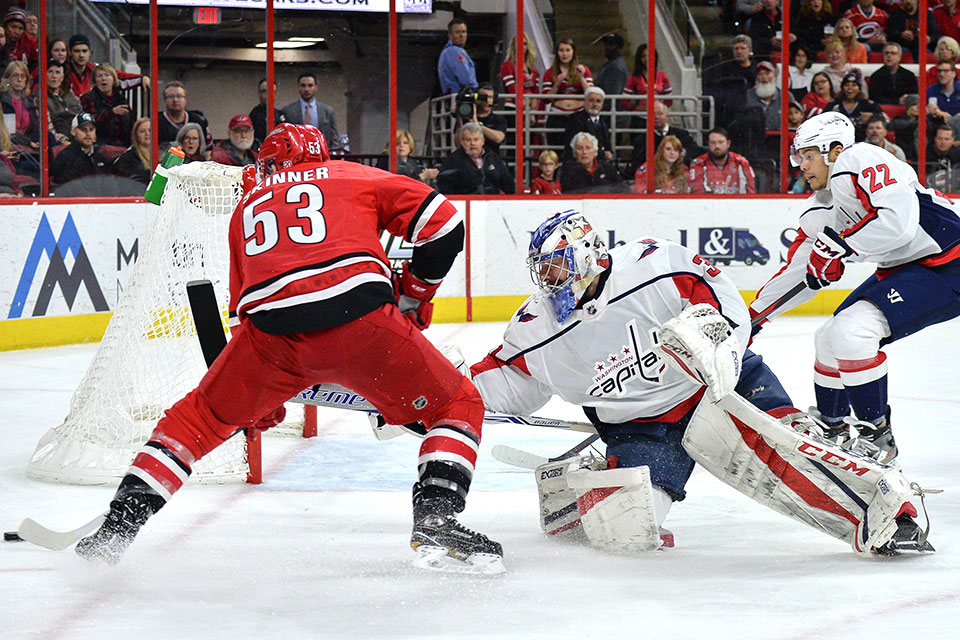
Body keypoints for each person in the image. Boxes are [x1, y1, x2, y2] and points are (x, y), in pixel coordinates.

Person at [74, 122, 504, 574]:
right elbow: (445, 223)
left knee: (197, 420)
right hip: (361, 321)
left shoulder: (245, 208)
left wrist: (259, 397)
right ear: (318, 154)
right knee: (457, 401)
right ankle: (437, 517)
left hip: (272, 340)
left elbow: (243, 317)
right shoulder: (347, 174)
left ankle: (118, 526)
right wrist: (414, 293)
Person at [463, 210, 928, 556]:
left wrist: (721, 356)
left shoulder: (654, 264)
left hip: (722, 384)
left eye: (556, 267)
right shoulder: (536, 327)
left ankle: (892, 512)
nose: (549, 282)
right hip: (643, 425)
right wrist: (421, 402)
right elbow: (500, 380)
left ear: (585, 253)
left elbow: (725, 306)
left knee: (793, 449)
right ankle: (591, 476)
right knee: (622, 531)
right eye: (542, 272)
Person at [751, 111, 960, 468]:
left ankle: (877, 436)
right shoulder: (819, 208)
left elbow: (899, 224)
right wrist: (754, 316)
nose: (800, 165)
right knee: (829, 337)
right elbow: (801, 271)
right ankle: (831, 429)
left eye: (807, 154)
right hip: (909, 267)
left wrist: (842, 245)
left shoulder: (860, 158)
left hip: (949, 263)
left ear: (833, 149)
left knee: (853, 332)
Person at [540, 38, 594, 149]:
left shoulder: (584, 70)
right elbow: (546, 99)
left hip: (578, 115)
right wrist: (557, 83)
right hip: (557, 116)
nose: (564, 54)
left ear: (573, 52)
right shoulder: (550, 72)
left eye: (568, 50)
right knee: (556, 151)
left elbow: (591, 95)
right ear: (557, 53)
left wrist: (581, 77)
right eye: (561, 50)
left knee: (578, 150)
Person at [436, 122, 515, 195]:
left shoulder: (493, 158)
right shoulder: (453, 160)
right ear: (462, 142)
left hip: (493, 204)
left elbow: (508, 184)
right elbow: (444, 187)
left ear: (483, 141)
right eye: (468, 140)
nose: (472, 143)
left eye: (476, 139)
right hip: (464, 204)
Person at [66, 34, 148, 98]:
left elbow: (118, 76)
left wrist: (142, 78)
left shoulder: (95, 68)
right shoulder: (62, 71)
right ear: (70, 52)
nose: (81, 55)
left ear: (90, 52)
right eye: (77, 51)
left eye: (84, 51)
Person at [630, 100, 699, 170]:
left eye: (660, 113)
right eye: (652, 114)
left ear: (666, 115)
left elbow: (693, 150)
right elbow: (638, 164)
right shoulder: (642, 140)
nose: (656, 117)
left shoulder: (682, 135)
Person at [280, 72, 341, 152]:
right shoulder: (288, 111)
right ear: (298, 87)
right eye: (303, 85)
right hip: (297, 155)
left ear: (316, 87)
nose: (306, 89)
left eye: (310, 85)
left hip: (323, 155)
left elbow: (334, 137)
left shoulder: (327, 111)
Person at [689, 127, 757, 193]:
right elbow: (697, 194)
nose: (717, 146)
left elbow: (750, 192)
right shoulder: (698, 163)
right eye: (713, 142)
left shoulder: (741, 162)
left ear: (728, 143)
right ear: (708, 144)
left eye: (721, 142)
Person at [51, 112, 110, 187]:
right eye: (83, 129)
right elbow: (65, 187)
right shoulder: (65, 157)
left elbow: (111, 186)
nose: (88, 134)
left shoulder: (101, 158)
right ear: (73, 132)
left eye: (91, 129)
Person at [80, 63, 133, 147]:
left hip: (123, 144)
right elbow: (90, 123)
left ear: (113, 79)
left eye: (107, 75)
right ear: (95, 81)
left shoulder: (121, 99)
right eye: (99, 76)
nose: (103, 78)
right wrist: (112, 112)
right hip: (100, 143)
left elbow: (129, 124)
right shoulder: (88, 98)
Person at [824, 72, 885, 141]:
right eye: (846, 85)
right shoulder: (834, 103)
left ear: (859, 89)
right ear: (842, 88)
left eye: (854, 85)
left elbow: (885, 119)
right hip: (838, 140)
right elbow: (821, 119)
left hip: (863, 141)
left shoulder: (867, 104)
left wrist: (872, 116)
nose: (850, 88)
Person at [561, 87, 612, 162]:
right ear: (584, 102)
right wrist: (602, 154)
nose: (595, 104)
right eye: (591, 100)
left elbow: (607, 145)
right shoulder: (575, 119)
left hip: (600, 163)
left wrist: (610, 153)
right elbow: (576, 147)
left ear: (602, 104)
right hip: (579, 164)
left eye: (598, 101)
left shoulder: (603, 121)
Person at [157, 80, 212, 149]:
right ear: (165, 100)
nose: (175, 100)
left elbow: (208, 148)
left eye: (179, 96)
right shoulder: (156, 122)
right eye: (170, 96)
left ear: (185, 100)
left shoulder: (198, 120)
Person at [621, 44, 672, 112]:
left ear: (655, 57)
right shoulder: (634, 77)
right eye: (643, 56)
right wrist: (638, 108)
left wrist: (659, 109)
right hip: (639, 119)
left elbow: (669, 101)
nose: (647, 59)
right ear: (639, 59)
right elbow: (624, 102)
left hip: (657, 119)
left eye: (650, 55)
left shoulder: (663, 77)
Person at [461, 83, 507, 156]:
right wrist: (459, 118)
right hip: (468, 160)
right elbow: (457, 143)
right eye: (483, 97)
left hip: (491, 159)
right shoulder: (466, 118)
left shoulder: (499, 119)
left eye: (490, 97)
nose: (487, 100)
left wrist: (476, 123)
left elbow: (499, 138)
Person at [0, 61, 38, 141]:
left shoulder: (30, 101)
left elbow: (35, 128)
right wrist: (28, 143)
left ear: (26, 80)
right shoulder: (3, 100)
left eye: (23, 76)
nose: (19, 80)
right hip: (9, 142)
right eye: (15, 76)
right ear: (8, 79)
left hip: (27, 141)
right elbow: (9, 132)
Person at [437, 18, 476, 95]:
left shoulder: (447, 51)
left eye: (464, 32)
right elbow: (465, 79)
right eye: (457, 32)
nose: (462, 35)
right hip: (460, 98)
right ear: (450, 35)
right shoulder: (455, 51)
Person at [500, 34, 539, 110]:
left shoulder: (533, 68)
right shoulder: (507, 66)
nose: (521, 46)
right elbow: (512, 90)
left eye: (524, 44)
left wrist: (532, 110)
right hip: (513, 108)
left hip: (530, 110)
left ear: (528, 47)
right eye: (519, 43)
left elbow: (536, 91)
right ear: (513, 46)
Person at [46, 59, 81, 140]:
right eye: (50, 72)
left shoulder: (70, 96)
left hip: (79, 135)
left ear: (62, 77)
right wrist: (62, 141)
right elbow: (48, 129)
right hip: (60, 138)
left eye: (57, 72)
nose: (54, 76)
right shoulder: (40, 98)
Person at [112, 117, 152, 184]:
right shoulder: (128, 158)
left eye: (150, 130)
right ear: (136, 135)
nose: (147, 134)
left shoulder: (161, 154)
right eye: (142, 131)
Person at [745, 61, 783, 130]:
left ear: (774, 75)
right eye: (760, 74)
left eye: (767, 73)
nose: (764, 77)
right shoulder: (747, 96)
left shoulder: (786, 96)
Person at [248, 78, 286, 144]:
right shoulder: (254, 115)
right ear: (258, 93)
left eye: (271, 91)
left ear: (276, 94)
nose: (268, 95)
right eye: (264, 91)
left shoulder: (280, 115)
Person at [925, 124, 960, 192]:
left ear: (953, 141)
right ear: (935, 139)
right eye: (940, 138)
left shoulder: (958, 156)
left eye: (947, 139)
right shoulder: (925, 155)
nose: (943, 142)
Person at [594, 32, 628, 98]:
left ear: (619, 48)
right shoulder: (611, 63)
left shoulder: (616, 67)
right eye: (605, 44)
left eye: (611, 44)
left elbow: (612, 94)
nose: (606, 47)